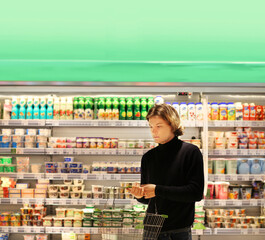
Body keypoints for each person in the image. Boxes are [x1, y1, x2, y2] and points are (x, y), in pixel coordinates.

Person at [128, 103, 204, 240]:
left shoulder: (190, 152)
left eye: (159, 126)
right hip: (152, 230)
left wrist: (157, 190)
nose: (153, 131)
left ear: (172, 125)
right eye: (151, 126)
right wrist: (140, 195)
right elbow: (148, 201)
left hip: (179, 230)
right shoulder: (148, 157)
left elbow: (195, 193)